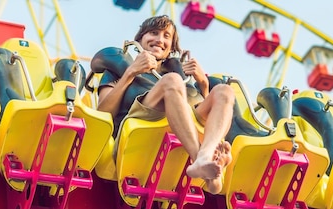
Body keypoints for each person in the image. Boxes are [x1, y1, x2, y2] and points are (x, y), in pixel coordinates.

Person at [97, 15, 234, 194]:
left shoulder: (182, 78)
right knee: (172, 81)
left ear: (171, 47)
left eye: (166, 36)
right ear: (140, 39)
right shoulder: (120, 68)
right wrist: (131, 73)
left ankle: (207, 155)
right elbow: (103, 112)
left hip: (182, 123)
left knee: (225, 91)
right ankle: (199, 158)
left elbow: (201, 115)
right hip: (139, 123)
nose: (160, 40)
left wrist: (204, 86)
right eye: (154, 33)